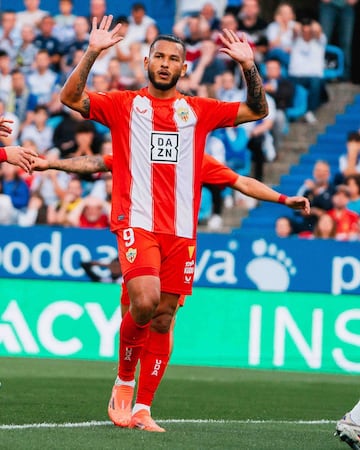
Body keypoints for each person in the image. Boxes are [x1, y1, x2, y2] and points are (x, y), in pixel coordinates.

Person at [58, 16, 272, 433]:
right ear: (146, 61)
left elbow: (257, 110)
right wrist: (92, 52)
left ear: (184, 69)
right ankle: (123, 380)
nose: (165, 63)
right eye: (159, 56)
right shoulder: (123, 104)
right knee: (144, 300)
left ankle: (143, 408)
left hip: (182, 232)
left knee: (163, 317)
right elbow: (70, 98)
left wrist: (248, 66)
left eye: (174, 58)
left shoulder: (199, 111)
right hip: (137, 221)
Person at [319, 0, 358, 81]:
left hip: (347, 6)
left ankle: (345, 77)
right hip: (328, 5)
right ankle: (323, 74)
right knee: (323, 41)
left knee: (346, 43)